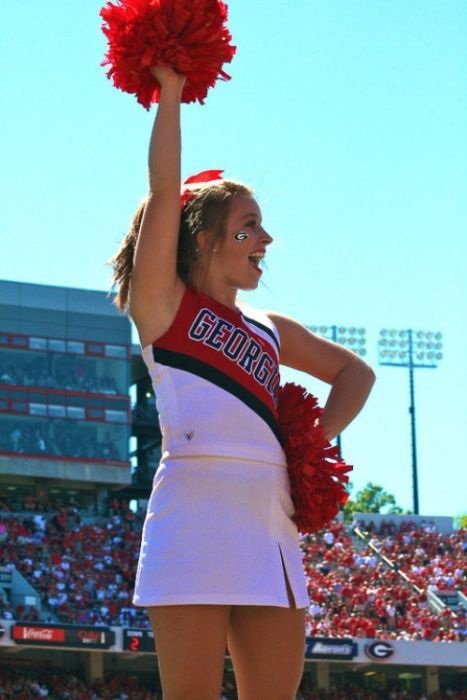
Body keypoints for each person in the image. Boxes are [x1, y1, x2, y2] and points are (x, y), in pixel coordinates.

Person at [110, 65, 375, 700]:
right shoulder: (162, 306)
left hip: (268, 520)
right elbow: (164, 187)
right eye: (249, 225)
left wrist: (308, 444)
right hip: (192, 513)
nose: (266, 238)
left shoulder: (271, 328)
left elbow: (356, 373)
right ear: (204, 238)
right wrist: (171, 92)